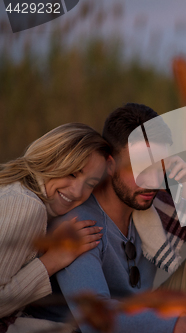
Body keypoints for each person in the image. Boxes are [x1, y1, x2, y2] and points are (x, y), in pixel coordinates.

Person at [27, 103, 186, 333]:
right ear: (110, 165)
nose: (152, 181)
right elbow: (95, 320)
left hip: (149, 312)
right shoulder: (78, 223)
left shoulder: (160, 206)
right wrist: (173, 324)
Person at [0, 123, 111, 333]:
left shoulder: (20, 193)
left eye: (90, 183)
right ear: (51, 160)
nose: (78, 191)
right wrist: (53, 259)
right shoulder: (26, 204)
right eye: (72, 174)